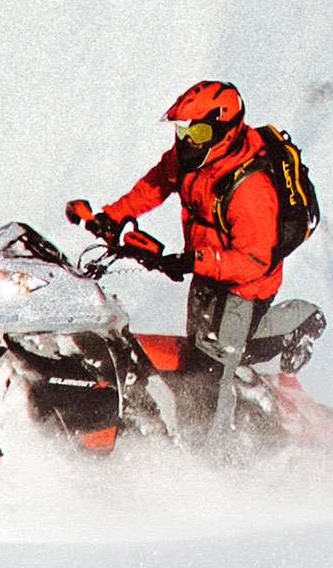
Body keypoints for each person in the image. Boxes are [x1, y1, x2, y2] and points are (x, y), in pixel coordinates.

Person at [67, 81, 303, 438]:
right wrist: (113, 215)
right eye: (183, 129)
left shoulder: (250, 190)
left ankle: (214, 457)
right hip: (207, 271)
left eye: (199, 130)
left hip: (243, 288)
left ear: (226, 130)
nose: (188, 139)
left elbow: (255, 261)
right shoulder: (194, 157)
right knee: (197, 350)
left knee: (212, 372)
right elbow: (156, 183)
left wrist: (194, 260)